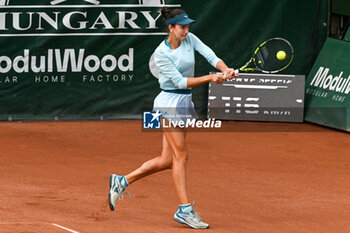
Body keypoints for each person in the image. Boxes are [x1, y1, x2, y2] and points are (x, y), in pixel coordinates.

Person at [109, 7, 238, 229]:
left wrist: (226, 70)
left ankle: (121, 181)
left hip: (184, 102)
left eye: (187, 27)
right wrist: (210, 77)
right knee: (182, 156)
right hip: (168, 104)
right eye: (182, 27)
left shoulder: (191, 39)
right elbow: (179, 82)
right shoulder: (161, 54)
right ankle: (184, 210)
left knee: (167, 160)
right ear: (171, 28)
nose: (186, 31)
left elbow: (210, 56)